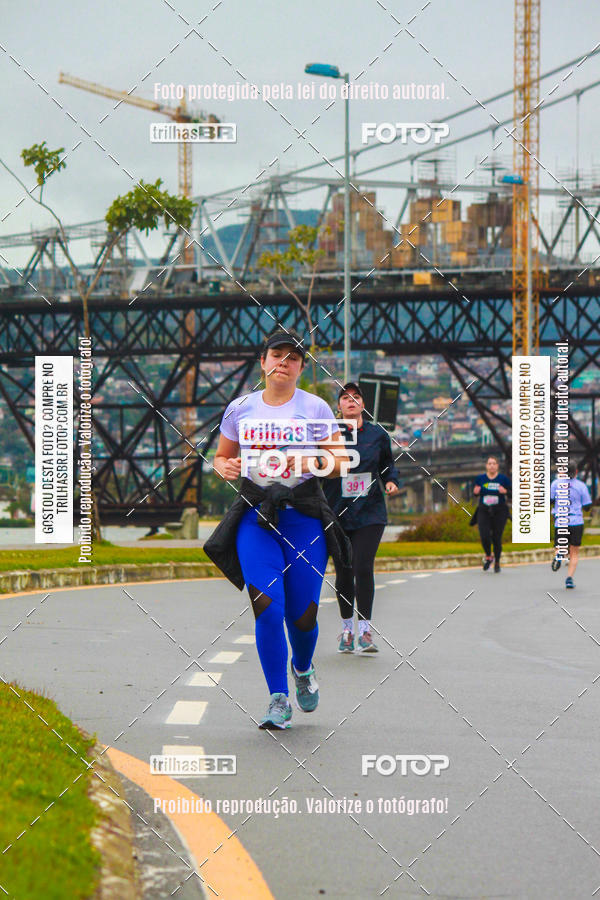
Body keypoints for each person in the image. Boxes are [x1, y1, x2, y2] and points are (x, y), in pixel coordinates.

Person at [204, 329, 351, 730]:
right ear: (263, 362)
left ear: (301, 367)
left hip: (303, 516)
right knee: (267, 608)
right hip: (256, 516)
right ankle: (277, 699)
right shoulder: (240, 409)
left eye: (293, 358)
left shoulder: (316, 408)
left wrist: (313, 462)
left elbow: (340, 462)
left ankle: (301, 669)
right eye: (277, 355)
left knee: (302, 616)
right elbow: (221, 457)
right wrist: (224, 468)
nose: (284, 362)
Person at [322, 382, 400, 654]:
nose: (351, 401)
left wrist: (390, 481)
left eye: (356, 397)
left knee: (363, 567)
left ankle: (365, 631)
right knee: (343, 570)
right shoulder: (328, 434)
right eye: (345, 398)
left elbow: (388, 465)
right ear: (339, 406)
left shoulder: (378, 435)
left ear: (363, 404)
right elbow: (316, 465)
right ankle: (347, 629)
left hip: (370, 512)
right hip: (337, 511)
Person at [550, 462, 592, 589]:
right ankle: (569, 578)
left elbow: (551, 500)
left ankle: (558, 555)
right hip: (576, 521)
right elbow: (587, 506)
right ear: (576, 472)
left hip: (561, 520)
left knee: (559, 545)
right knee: (574, 552)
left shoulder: (556, 484)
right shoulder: (581, 486)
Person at [471, 455, 511, 572]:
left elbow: (512, 493)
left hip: (500, 511)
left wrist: (506, 492)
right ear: (486, 466)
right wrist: (475, 492)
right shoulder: (480, 478)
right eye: (489, 463)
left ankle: (497, 562)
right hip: (484, 510)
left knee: (496, 538)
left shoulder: (503, 479)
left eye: (494, 463)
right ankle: (488, 556)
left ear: (497, 466)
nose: (492, 465)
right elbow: (476, 492)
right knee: (484, 536)